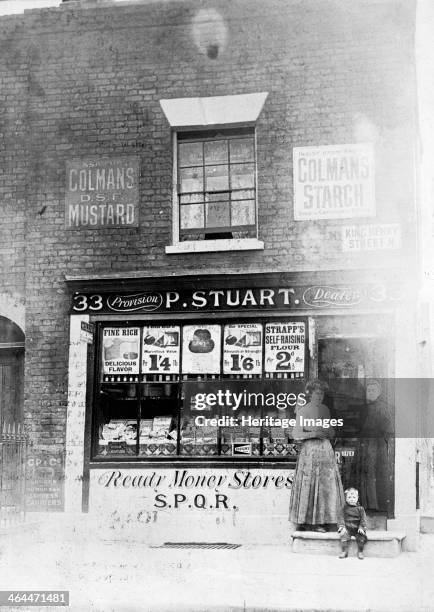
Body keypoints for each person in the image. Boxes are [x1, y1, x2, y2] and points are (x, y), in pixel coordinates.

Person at [289, 379, 345, 532]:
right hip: (310, 452)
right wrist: (314, 433)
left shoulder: (325, 410)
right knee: (311, 485)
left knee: (325, 486)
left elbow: (330, 429)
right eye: (317, 393)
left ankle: (324, 520)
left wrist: (331, 431)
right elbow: (296, 434)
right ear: (310, 394)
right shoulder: (303, 410)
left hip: (325, 450)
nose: (319, 396)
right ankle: (308, 522)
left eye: (322, 393)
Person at [351, 379, 393, 511]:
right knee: (363, 472)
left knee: (371, 473)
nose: (370, 392)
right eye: (368, 390)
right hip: (364, 443)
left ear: (379, 393)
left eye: (373, 390)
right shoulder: (364, 407)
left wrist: (380, 442)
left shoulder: (382, 408)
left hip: (375, 444)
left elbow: (389, 429)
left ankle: (373, 505)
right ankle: (364, 503)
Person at [338, 487, 368, 560]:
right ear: (346, 498)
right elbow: (341, 517)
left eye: (354, 497)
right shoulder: (344, 508)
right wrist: (342, 526)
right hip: (347, 527)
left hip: (357, 528)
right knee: (344, 537)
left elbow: (363, 519)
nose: (352, 499)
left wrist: (361, 527)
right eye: (349, 497)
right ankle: (344, 551)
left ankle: (360, 551)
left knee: (361, 537)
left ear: (357, 498)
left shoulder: (360, 509)